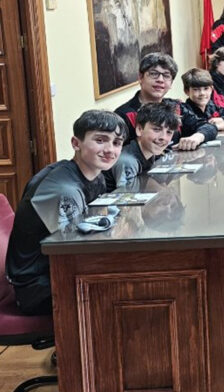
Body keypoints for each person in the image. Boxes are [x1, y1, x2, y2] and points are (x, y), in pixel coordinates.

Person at [6, 110, 126, 315]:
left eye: (116, 143)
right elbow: (74, 255)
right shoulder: (65, 190)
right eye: (100, 140)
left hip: (58, 272)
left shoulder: (95, 174)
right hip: (38, 288)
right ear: (76, 143)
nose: (109, 150)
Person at [105, 103, 180, 190]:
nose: (163, 137)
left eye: (169, 132)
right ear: (139, 129)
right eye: (156, 129)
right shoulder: (128, 161)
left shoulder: (150, 152)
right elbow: (127, 195)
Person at [114, 52, 181, 144]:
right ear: (140, 77)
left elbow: (200, 125)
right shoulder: (123, 116)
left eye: (166, 76)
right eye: (153, 74)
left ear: (171, 83)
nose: (160, 80)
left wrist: (197, 137)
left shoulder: (176, 107)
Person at [181, 67, 224, 134]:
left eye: (206, 89)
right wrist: (219, 126)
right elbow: (197, 126)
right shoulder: (184, 110)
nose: (202, 93)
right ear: (187, 91)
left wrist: (222, 119)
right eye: (196, 89)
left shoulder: (211, 106)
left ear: (211, 89)